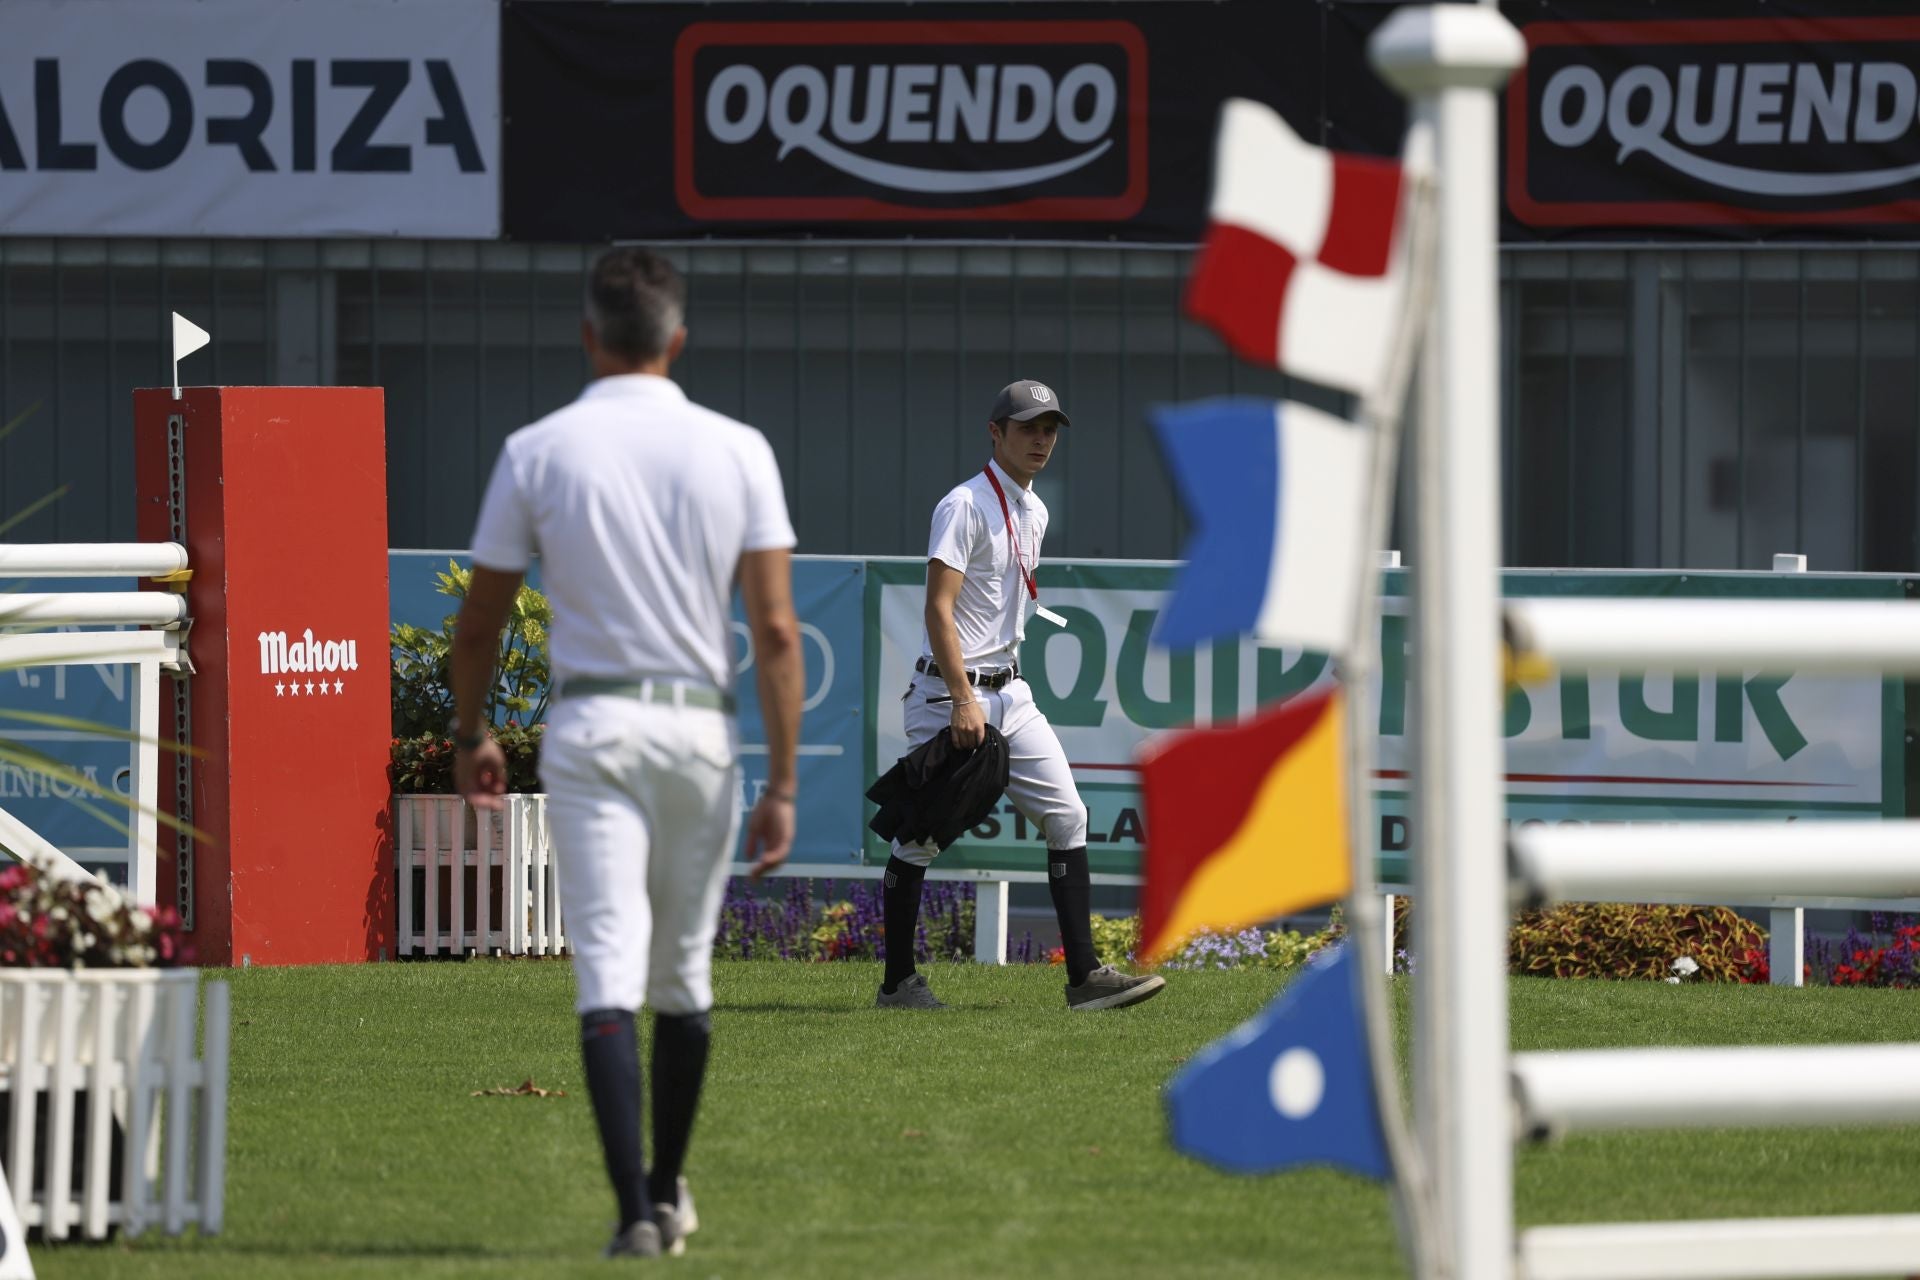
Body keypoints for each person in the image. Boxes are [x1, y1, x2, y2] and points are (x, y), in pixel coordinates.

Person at [451, 247, 803, 1259]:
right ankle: (664, 1183)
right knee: (684, 974)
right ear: (678, 340)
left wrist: (472, 730)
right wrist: (781, 781)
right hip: (697, 727)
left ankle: (633, 1211)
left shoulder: (538, 449)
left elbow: (480, 620)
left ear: (589, 336)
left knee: (604, 959)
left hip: (591, 726)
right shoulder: (738, 448)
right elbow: (777, 630)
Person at [876, 379, 1166, 1013]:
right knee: (919, 839)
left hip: (1012, 690)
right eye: (1028, 427)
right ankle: (898, 983)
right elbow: (937, 608)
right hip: (948, 695)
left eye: (1050, 429)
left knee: (1069, 817)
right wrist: (960, 699)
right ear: (995, 432)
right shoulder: (963, 505)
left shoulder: (1035, 509)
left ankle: (1085, 978)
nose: (1042, 439)